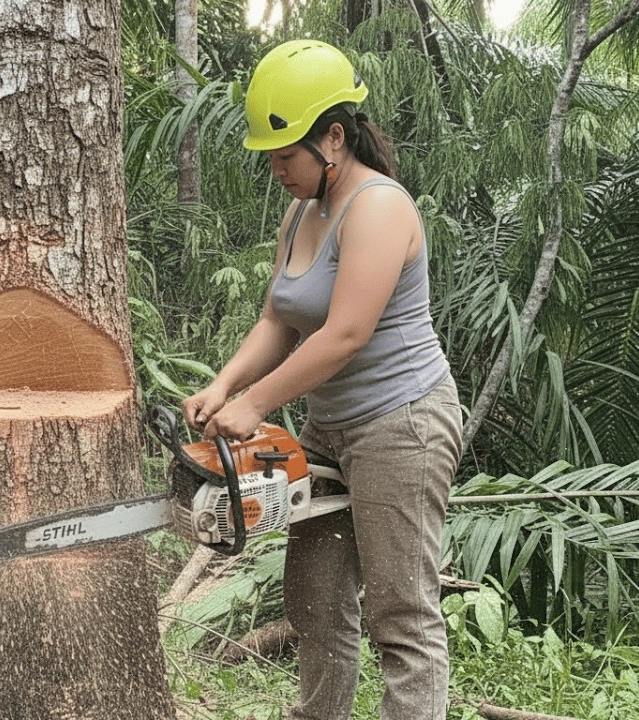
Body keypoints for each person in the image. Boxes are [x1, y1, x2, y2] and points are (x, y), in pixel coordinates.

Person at [181, 40, 463, 720]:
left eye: (286, 156)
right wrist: (223, 387)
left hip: (403, 424)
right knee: (314, 598)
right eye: (271, 158)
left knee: (401, 612)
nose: (276, 170)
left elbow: (345, 334)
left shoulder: (379, 207)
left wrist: (256, 404)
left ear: (332, 138)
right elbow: (280, 318)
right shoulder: (303, 212)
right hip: (330, 427)